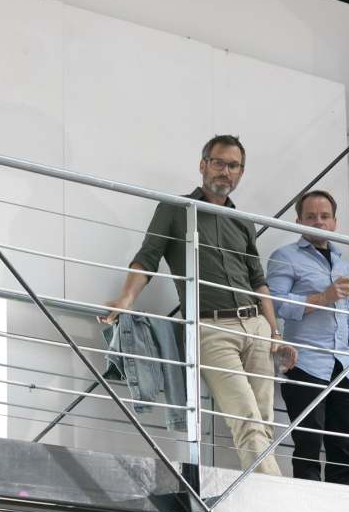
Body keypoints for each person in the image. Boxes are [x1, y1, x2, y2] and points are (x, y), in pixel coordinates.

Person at [104, 135, 296, 475]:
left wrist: (276, 334)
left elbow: (258, 281)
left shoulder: (243, 221)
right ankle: (277, 494)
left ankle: (264, 490)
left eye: (233, 166)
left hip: (256, 325)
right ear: (203, 165)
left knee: (265, 420)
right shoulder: (175, 209)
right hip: (211, 328)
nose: (225, 171)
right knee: (246, 418)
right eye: (219, 163)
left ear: (241, 172)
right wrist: (126, 298)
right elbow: (148, 258)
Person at [265, 190, 349, 485]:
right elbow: (275, 304)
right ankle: (308, 510)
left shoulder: (344, 265)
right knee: (308, 446)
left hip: (344, 368)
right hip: (305, 364)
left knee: (346, 449)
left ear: (334, 222)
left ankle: (343, 511)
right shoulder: (285, 257)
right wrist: (323, 297)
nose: (319, 222)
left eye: (324, 216)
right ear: (299, 221)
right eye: (311, 217)